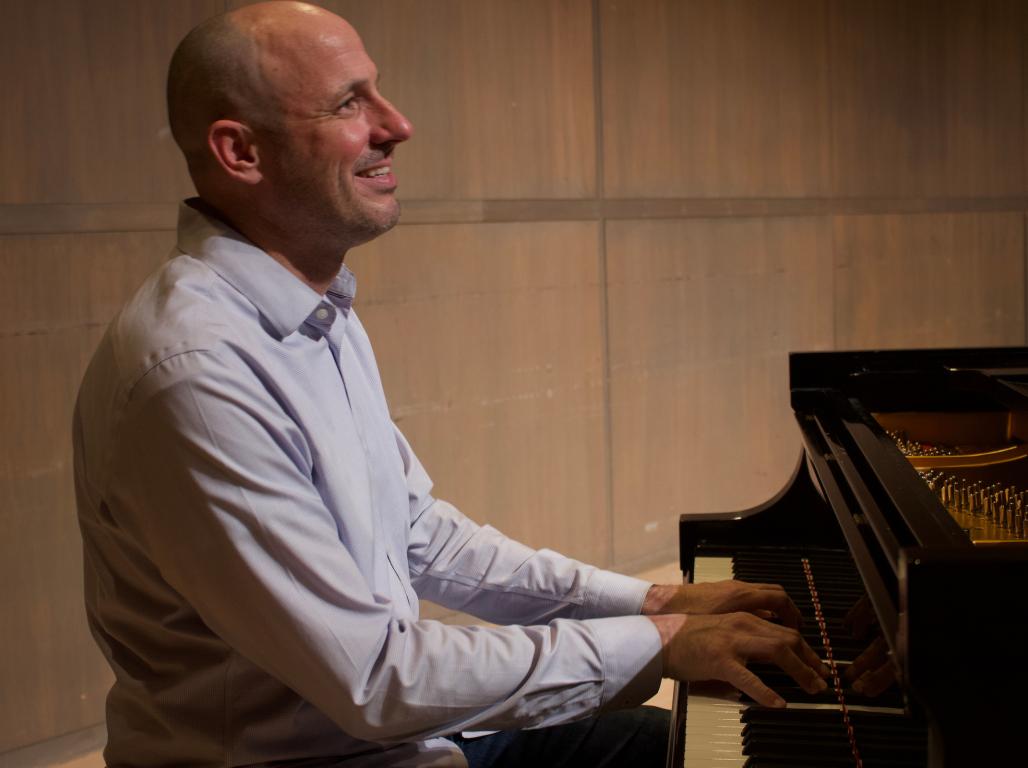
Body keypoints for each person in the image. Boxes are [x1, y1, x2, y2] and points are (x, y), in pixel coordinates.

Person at [72, 3, 828, 766]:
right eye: (349, 103)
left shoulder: (314, 312)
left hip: (405, 744)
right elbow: (376, 679)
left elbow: (419, 535)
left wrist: (651, 601)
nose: (396, 124)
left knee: (675, 747)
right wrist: (659, 644)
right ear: (240, 152)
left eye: (379, 92)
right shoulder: (197, 374)